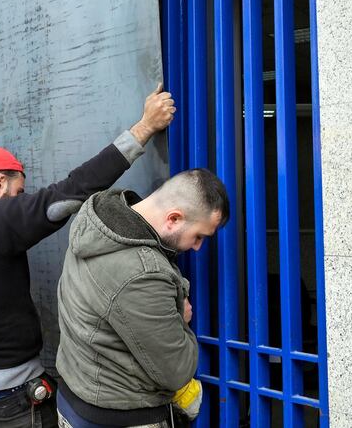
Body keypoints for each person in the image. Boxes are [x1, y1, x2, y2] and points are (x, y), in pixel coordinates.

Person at [0, 85, 175, 428]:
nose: (22, 200)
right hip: (5, 408)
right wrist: (144, 128)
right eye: (19, 192)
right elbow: (73, 190)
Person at [55, 168, 230, 427]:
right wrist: (182, 319)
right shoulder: (142, 273)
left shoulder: (98, 224)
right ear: (173, 218)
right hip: (119, 417)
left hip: (73, 397)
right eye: (198, 236)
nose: (198, 247)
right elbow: (177, 371)